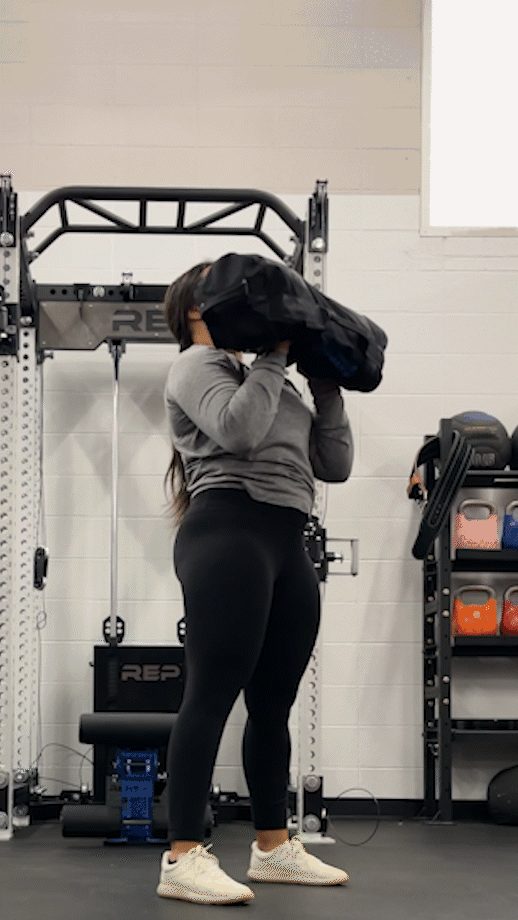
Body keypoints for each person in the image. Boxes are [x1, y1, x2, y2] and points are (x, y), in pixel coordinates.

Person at [157, 260, 354, 904]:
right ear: (197, 309)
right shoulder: (196, 365)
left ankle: (273, 848)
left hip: (287, 539)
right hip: (228, 531)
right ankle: (182, 856)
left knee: (273, 702)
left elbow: (335, 463)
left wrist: (324, 387)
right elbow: (238, 432)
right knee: (212, 693)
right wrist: (275, 356)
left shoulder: (275, 384)